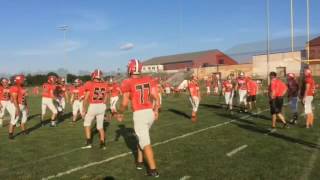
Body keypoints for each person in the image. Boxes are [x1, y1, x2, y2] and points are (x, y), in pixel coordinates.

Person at [116, 59, 160, 177]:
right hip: (149, 112)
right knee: (141, 138)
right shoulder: (149, 79)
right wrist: (156, 110)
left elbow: (125, 103)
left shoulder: (127, 82)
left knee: (145, 142)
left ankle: (153, 170)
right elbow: (156, 97)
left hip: (140, 114)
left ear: (130, 69)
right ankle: (140, 161)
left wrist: (120, 112)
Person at [82, 69, 109, 149]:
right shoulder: (105, 84)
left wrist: (83, 109)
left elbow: (86, 98)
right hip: (102, 106)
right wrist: (103, 103)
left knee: (86, 124)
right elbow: (106, 97)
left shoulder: (89, 84)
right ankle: (103, 143)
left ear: (93, 76)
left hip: (93, 106)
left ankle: (88, 143)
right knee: (100, 127)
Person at [8, 75, 29, 139]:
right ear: (19, 80)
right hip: (17, 106)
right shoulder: (14, 87)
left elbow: (24, 98)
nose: (24, 81)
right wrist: (17, 109)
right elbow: (14, 99)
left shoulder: (22, 88)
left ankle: (23, 131)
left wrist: (27, 106)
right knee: (14, 120)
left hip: (23, 105)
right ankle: (10, 134)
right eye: (23, 80)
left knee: (24, 119)